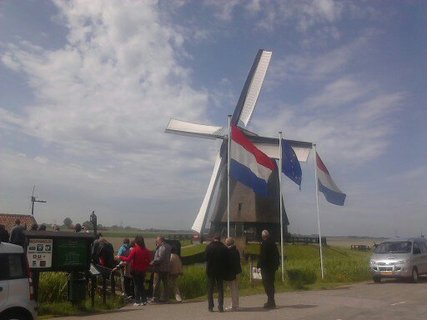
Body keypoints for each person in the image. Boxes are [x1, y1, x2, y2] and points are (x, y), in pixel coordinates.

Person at [117, 235, 151, 306]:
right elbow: (149, 261)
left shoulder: (135, 250)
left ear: (137, 242)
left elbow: (128, 259)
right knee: (141, 285)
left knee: (136, 285)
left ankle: (137, 301)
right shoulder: (146, 250)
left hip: (135, 270)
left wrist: (120, 257)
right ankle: (144, 300)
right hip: (143, 270)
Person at [205, 234, 228, 312]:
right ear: (220, 239)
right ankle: (220, 306)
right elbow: (226, 260)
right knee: (220, 289)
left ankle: (210, 306)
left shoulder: (209, 247)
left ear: (213, 238)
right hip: (220, 271)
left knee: (210, 289)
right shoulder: (224, 248)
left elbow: (206, 258)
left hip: (211, 270)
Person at [257, 230, 280, 309]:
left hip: (266, 268)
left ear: (263, 236)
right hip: (272, 267)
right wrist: (276, 265)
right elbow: (277, 255)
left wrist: (259, 265)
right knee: (271, 284)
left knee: (267, 284)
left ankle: (271, 301)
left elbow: (263, 256)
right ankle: (271, 301)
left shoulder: (264, 244)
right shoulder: (273, 243)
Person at [150, 236, 171, 303]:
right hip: (166, 268)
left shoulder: (162, 247)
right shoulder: (168, 246)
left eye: (157, 241)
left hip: (159, 268)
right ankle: (166, 298)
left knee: (156, 284)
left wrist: (153, 261)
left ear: (161, 241)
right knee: (166, 284)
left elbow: (161, 258)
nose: (156, 242)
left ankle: (155, 298)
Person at [224, 237, 242, 311]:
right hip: (237, 271)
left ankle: (234, 306)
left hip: (232, 273)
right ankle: (236, 304)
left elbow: (229, 263)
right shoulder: (236, 250)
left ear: (228, 243)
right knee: (236, 289)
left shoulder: (229, 251)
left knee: (233, 289)